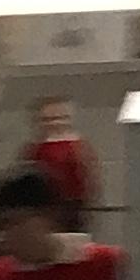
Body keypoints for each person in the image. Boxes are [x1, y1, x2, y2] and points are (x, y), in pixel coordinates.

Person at [23, 97, 97, 226]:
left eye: (60, 118)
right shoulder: (34, 149)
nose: (54, 123)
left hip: (71, 208)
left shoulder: (78, 147)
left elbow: (88, 179)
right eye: (47, 119)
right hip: (41, 209)